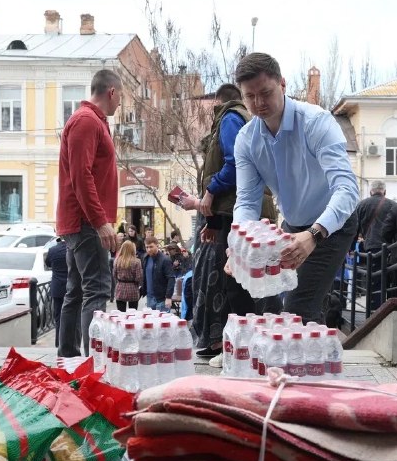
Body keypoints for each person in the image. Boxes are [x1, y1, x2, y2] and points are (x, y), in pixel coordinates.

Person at [231, 53, 360, 324]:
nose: (259, 103)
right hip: (292, 225)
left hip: (332, 223)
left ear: (283, 84)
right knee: (270, 301)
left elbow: (347, 189)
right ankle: (312, 354)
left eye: (265, 93)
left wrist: (313, 234)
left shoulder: (316, 122)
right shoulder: (246, 139)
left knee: (298, 308)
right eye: (250, 97)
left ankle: (295, 364)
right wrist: (239, 242)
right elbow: (246, 202)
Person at [181, 82, 279, 360]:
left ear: (217, 103)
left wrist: (210, 193)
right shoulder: (242, 119)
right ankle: (241, 344)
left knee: (238, 281)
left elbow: (234, 164)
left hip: (241, 212)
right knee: (242, 279)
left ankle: (244, 345)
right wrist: (212, 222)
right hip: (239, 211)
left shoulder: (230, 118)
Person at [55, 68, 121, 358]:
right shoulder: (86, 121)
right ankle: (92, 361)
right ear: (112, 92)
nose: (120, 104)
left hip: (81, 221)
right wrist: (100, 222)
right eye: (121, 98)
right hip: (86, 223)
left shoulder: (92, 121)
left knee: (78, 290)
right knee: (95, 289)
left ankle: (68, 357)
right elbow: (81, 177)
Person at [354, 180, 397, 309]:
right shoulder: (394, 205)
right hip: (391, 248)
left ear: (370, 191)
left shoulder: (362, 205)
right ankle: (391, 309)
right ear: (384, 191)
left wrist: (351, 248)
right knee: (391, 279)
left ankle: (375, 311)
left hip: (372, 247)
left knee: (375, 280)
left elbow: (354, 230)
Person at [140, 236, 175, 313]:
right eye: (147, 247)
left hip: (161, 299)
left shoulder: (165, 260)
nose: (149, 249)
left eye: (151, 247)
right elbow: (145, 276)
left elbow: (171, 278)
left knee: (162, 323)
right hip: (149, 298)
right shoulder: (145, 258)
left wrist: (168, 297)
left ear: (157, 246)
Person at [44, 238, 67, 348]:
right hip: (71, 289)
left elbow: (48, 263)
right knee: (73, 317)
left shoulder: (53, 250)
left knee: (58, 317)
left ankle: (58, 343)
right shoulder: (72, 249)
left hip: (57, 288)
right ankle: (69, 343)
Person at [114, 240, 143, 311]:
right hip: (132, 288)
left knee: (120, 314)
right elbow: (139, 277)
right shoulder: (137, 261)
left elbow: (114, 275)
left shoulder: (117, 261)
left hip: (120, 287)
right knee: (132, 314)